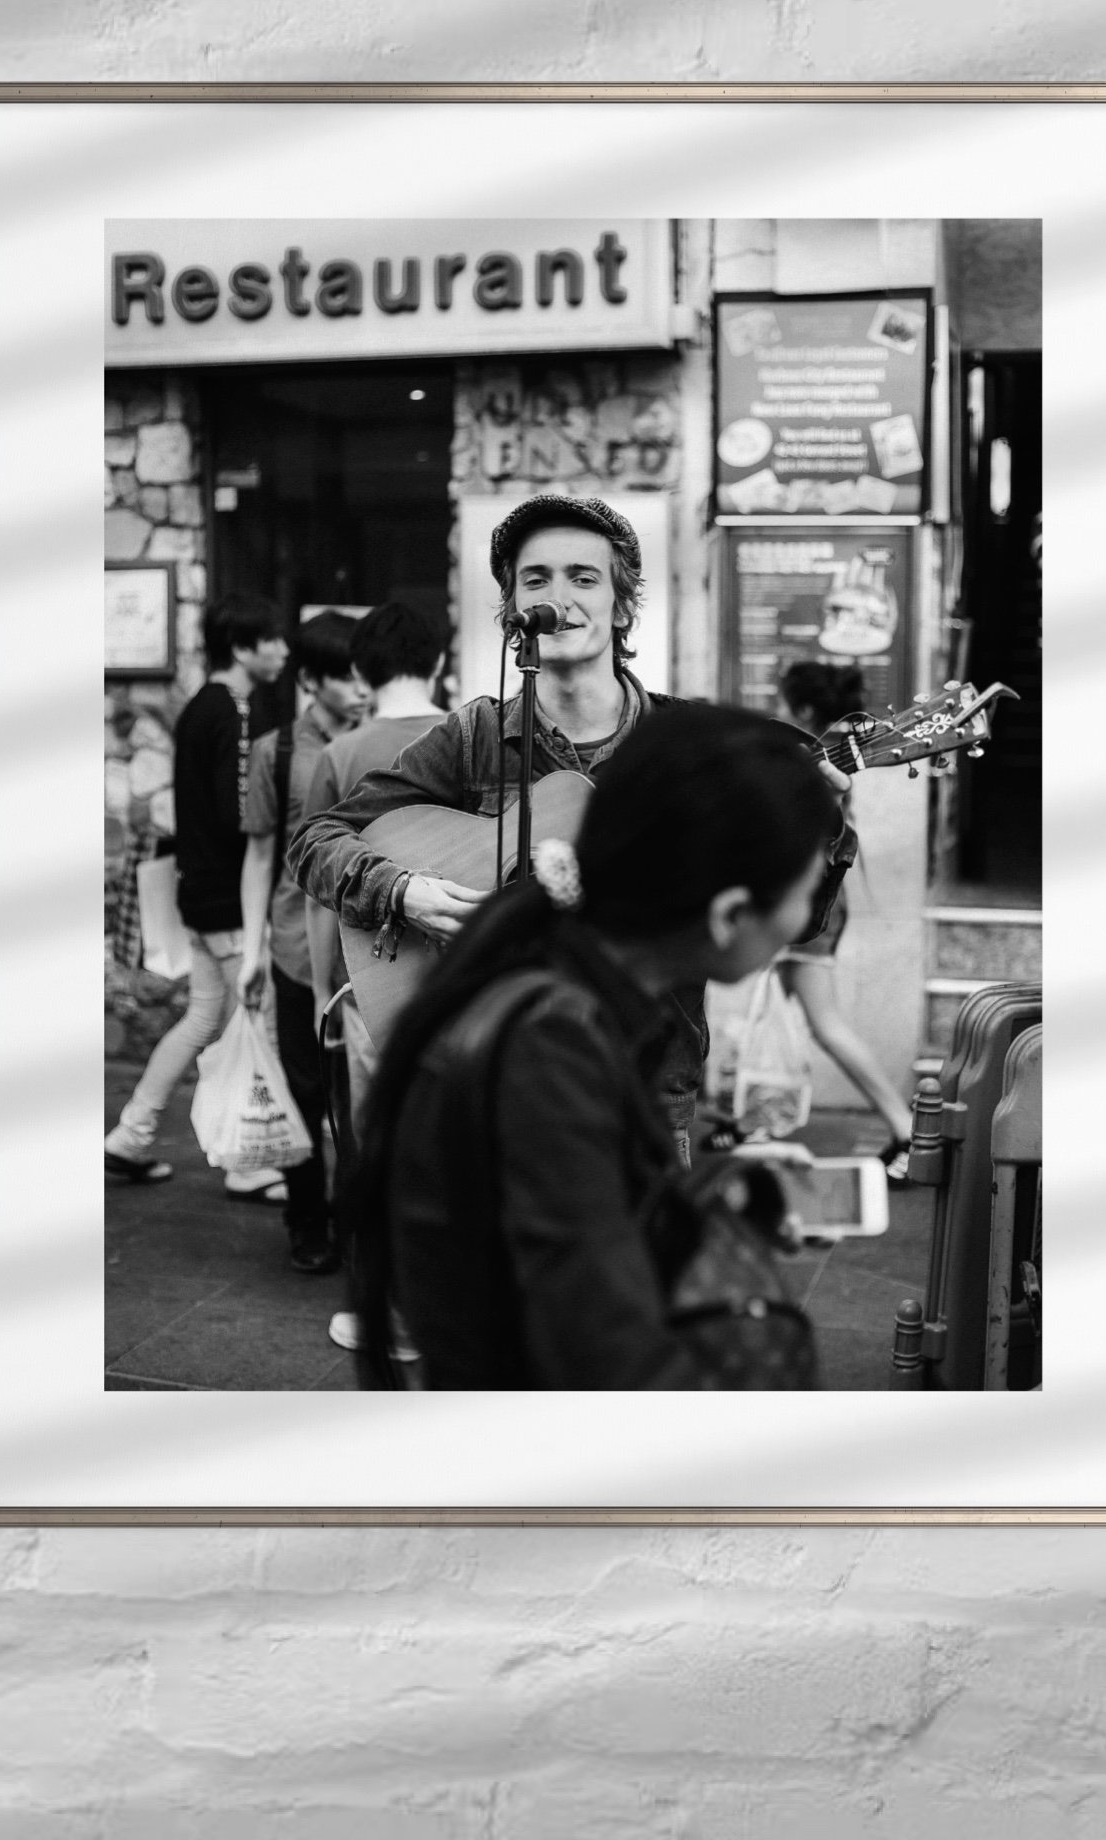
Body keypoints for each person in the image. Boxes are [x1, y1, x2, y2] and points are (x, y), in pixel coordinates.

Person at [286, 493, 857, 1156]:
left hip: (643, 1087)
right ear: (512, 611)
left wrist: (819, 828)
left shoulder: (684, 745)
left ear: (621, 606)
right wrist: (403, 892)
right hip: (485, 1072)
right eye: (536, 579)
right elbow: (313, 840)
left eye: (583, 578)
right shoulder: (475, 735)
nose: (558, 597)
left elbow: (802, 919)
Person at [345, 703, 837, 1389]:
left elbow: (582, 1219)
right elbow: (607, 1357)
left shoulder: (582, 1003)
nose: (802, 920)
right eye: (807, 889)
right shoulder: (553, 1050)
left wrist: (718, 1194)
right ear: (728, 916)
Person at [294, 601, 449, 1356]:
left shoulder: (341, 754)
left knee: (379, 1143)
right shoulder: (477, 735)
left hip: (372, 980)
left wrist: (327, 985)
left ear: (358, 673)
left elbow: (321, 885)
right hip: (465, 979)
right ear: (442, 664)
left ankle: (391, 1313)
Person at [105, 595, 288, 1188]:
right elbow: (243, 816)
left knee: (206, 1016)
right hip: (228, 897)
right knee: (255, 1022)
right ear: (242, 646)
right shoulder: (234, 710)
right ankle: (248, 1163)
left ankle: (131, 1134)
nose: (283, 651)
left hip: (200, 891)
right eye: (273, 640)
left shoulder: (199, 708)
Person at [239, 610, 368, 1270]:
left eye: (363, 672)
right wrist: (254, 949)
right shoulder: (277, 751)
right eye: (345, 676)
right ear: (313, 681)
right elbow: (261, 855)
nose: (360, 686)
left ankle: (354, 1220)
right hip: (294, 947)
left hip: (371, 957)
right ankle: (306, 1221)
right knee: (300, 1091)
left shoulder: (388, 744)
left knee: (360, 1101)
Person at [768, 660, 915, 1180]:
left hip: (804, 900)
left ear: (803, 710)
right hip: (787, 896)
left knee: (824, 1023)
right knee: (764, 1017)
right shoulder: (804, 755)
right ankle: (751, 1124)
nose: (775, 710)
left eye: (782, 702)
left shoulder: (818, 760)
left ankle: (906, 1130)